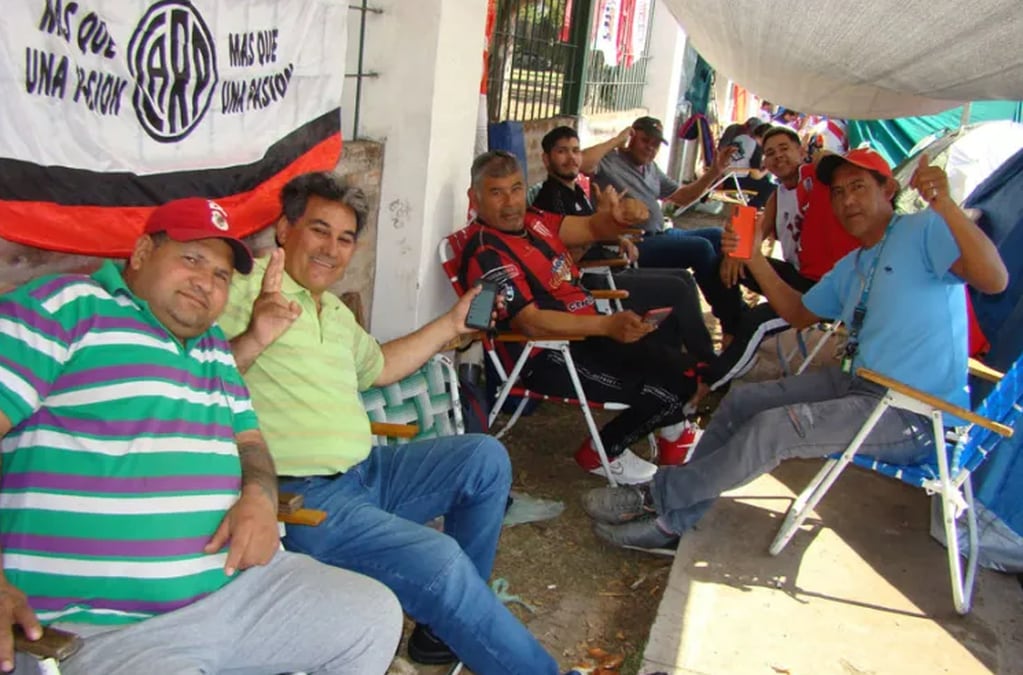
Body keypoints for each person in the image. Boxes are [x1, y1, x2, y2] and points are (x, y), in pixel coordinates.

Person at [0, 198, 401, 675]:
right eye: (192, 259)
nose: (205, 282)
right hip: (104, 628)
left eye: (221, 276)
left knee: (371, 614)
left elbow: (251, 444)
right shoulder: (70, 307)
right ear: (144, 252)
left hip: (239, 590)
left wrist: (258, 496)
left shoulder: (211, 347)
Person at [218, 172, 564, 675]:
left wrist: (451, 324)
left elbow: (377, 367)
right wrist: (255, 333)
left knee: (483, 457)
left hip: (370, 473)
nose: (331, 249)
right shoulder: (243, 292)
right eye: (318, 230)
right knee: (439, 560)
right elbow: (196, 377)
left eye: (344, 238)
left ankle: (440, 631)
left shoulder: (333, 311)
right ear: (283, 229)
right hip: (302, 500)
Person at [580, 148, 1008, 553]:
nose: (846, 201)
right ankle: (674, 523)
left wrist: (946, 205)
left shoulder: (924, 230)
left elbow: (994, 280)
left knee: (775, 428)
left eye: (858, 187)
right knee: (745, 400)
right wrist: (752, 258)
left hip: (915, 413)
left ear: (888, 191)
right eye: (837, 192)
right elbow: (797, 311)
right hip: (860, 385)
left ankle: (657, 497)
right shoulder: (856, 263)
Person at [458, 150, 704, 482]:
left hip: (589, 336)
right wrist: (606, 325)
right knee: (665, 390)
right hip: (549, 355)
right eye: (496, 192)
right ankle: (602, 453)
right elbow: (530, 322)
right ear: (475, 198)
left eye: (516, 188)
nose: (511, 202)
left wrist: (619, 218)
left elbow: (591, 226)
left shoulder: (535, 221)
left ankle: (675, 434)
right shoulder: (488, 252)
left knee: (685, 371)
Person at [532, 125, 716, 366]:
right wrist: (604, 219)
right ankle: (706, 362)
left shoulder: (576, 191)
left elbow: (594, 232)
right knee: (677, 288)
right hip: (589, 281)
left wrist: (618, 237)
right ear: (546, 160)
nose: (572, 158)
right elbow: (564, 262)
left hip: (611, 267)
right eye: (562, 152)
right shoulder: (549, 200)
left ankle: (682, 364)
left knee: (683, 277)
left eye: (576, 151)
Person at [702, 126, 860, 389]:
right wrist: (734, 255)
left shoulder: (817, 178)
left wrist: (821, 156)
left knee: (758, 321)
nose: (778, 157)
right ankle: (732, 329)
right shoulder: (777, 194)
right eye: (770, 153)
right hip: (798, 276)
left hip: (826, 286)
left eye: (785, 149)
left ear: (801, 150)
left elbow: (833, 165)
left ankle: (709, 384)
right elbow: (755, 233)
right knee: (716, 264)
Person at [583, 116, 737, 337]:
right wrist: (617, 139)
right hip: (634, 243)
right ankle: (730, 322)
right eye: (645, 141)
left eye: (655, 145)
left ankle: (732, 315)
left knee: (717, 235)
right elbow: (583, 162)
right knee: (701, 248)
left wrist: (714, 172)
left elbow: (683, 197)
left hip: (661, 234)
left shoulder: (651, 168)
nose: (650, 148)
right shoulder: (608, 161)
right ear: (632, 136)